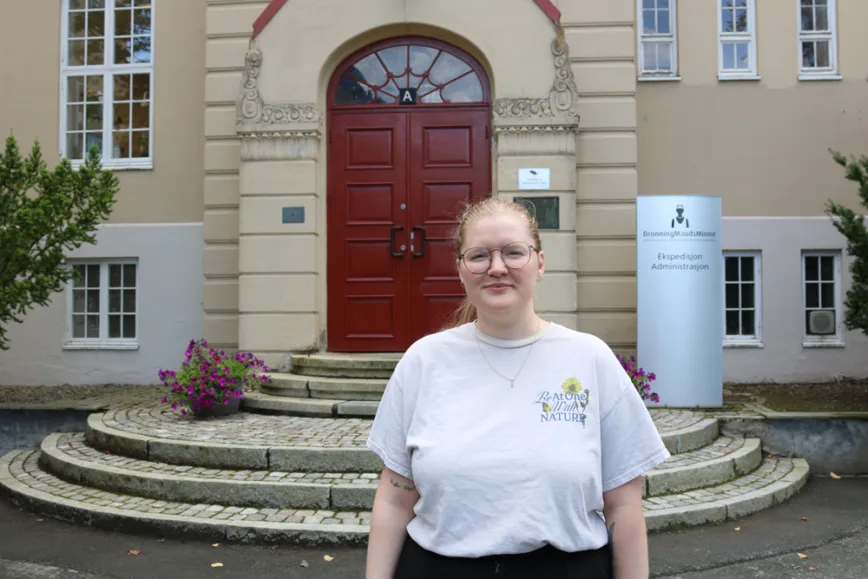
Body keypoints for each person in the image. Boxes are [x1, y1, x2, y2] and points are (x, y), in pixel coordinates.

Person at [364, 197, 670, 579]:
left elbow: (624, 507)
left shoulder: (590, 359)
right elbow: (394, 499)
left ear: (540, 263)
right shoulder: (424, 362)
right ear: (460, 269)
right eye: (479, 256)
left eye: (513, 252)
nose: (496, 268)